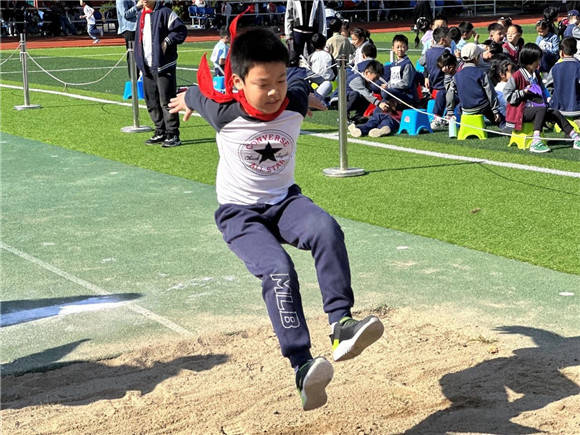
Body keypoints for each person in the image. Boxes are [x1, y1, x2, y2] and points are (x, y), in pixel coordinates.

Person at [168, 23, 384, 412]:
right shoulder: (222, 110)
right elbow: (198, 93)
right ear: (238, 82)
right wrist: (187, 100)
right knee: (279, 269)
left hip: (285, 203)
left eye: (279, 81)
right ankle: (302, 364)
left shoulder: (295, 99)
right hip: (239, 215)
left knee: (325, 228)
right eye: (263, 83)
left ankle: (341, 325)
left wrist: (309, 92)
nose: (274, 92)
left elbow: (299, 78)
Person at [128, 0, 187, 147]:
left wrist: (168, 41)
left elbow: (181, 30)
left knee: (167, 101)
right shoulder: (140, 14)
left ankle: (173, 134)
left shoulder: (165, 12)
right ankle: (160, 130)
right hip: (146, 65)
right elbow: (126, 16)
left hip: (163, 65)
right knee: (151, 101)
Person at [503, 43, 580, 153]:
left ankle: (575, 137)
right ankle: (535, 141)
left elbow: (543, 90)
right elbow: (507, 95)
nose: (539, 63)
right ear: (529, 60)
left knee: (555, 112)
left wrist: (548, 99)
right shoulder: (517, 76)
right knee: (541, 109)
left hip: (537, 108)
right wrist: (523, 92)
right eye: (537, 60)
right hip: (520, 111)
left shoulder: (536, 74)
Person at [447, 43, 503, 127]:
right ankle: (503, 125)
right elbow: (490, 92)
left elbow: (450, 93)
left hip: (465, 108)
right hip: (481, 106)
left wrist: (450, 110)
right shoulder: (481, 73)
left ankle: (460, 125)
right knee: (494, 110)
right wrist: (495, 110)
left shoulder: (456, 75)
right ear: (476, 58)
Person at [419, 26, 451, 130]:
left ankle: (445, 116)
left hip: (432, 85)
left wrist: (426, 76)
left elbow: (421, 62)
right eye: (449, 37)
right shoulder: (446, 52)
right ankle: (444, 117)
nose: (451, 40)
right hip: (443, 84)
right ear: (443, 39)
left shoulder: (428, 52)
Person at [284, 0, 327, 66]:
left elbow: (321, 16)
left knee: (314, 57)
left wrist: (322, 34)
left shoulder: (318, 1)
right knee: (294, 58)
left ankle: (313, 74)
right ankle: (295, 75)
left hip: (312, 33)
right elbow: (288, 15)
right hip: (297, 32)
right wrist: (288, 34)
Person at [382, 34, 418, 106]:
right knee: (383, 94)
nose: (400, 49)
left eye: (402, 47)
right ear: (393, 48)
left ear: (407, 48)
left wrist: (389, 86)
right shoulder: (393, 64)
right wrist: (387, 84)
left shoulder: (407, 64)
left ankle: (396, 105)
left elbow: (406, 83)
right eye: (397, 47)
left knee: (386, 92)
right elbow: (393, 79)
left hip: (406, 95)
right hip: (395, 90)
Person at [546, 37, 580, 112]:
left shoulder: (555, 68)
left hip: (558, 110)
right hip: (577, 109)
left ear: (561, 52)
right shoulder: (578, 67)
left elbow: (549, 88)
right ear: (576, 51)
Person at [306, 32, 335, 99]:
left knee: (326, 84)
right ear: (325, 43)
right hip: (315, 84)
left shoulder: (312, 56)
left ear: (312, 45)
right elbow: (335, 71)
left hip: (326, 83)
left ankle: (319, 99)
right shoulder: (328, 55)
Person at [116, 0, 138, 78]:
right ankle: (134, 78)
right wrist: (138, 7)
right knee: (132, 55)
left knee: (141, 54)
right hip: (129, 29)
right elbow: (125, 14)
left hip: (138, 28)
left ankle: (141, 78)